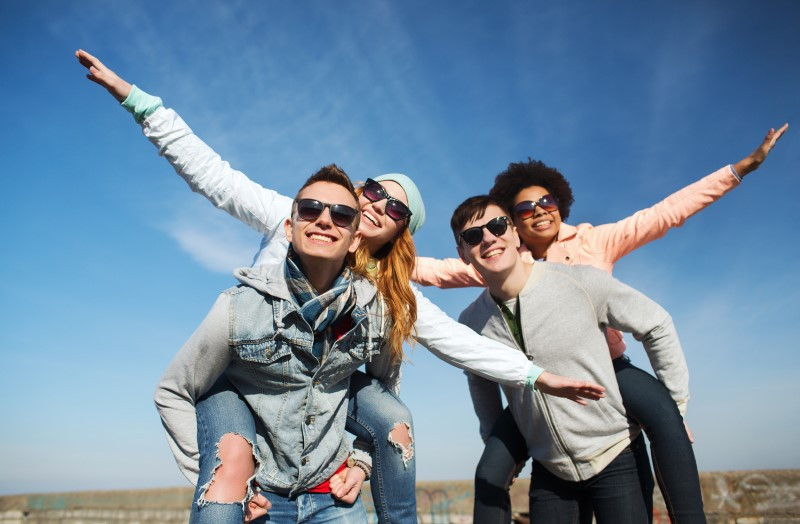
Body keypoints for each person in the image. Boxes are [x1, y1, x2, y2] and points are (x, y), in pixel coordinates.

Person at [76, 49, 606, 523]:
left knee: (394, 415)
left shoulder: (388, 296)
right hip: (252, 375)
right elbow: (215, 177)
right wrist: (140, 103)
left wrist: (535, 376)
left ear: (401, 230)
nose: (378, 204)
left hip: (325, 389)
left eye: (395, 206)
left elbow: (458, 344)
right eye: (373, 190)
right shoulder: (306, 217)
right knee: (228, 472)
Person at [413, 125, 787, 523]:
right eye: (524, 209)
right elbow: (439, 273)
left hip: (606, 367)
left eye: (547, 201)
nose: (538, 210)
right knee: (491, 465)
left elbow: (664, 215)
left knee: (665, 417)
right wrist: (371, 260)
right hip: (534, 388)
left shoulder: (594, 245)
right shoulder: (496, 264)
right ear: (514, 222)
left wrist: (740, 169)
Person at [155, 165, 404, 521]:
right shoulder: (239, 308)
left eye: (342, 214)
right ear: (290, 228)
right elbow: (173, 391)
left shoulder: (376, 314)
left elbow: (385, 393)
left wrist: (362, 461)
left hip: (333, 494)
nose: (324, 219)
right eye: (310, 209)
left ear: (355, 240)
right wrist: (209, 475)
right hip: (262, 496)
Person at [452, 194, 692, 523]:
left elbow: (657, 324)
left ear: (516, 233)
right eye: (473, 236)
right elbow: (479, 379)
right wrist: (498, 442)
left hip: (615, 457)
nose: (489, 238)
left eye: (497, 226)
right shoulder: (471, 322)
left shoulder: (578, 282)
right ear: (462, 252)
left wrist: (676, 406)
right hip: (550, 472)